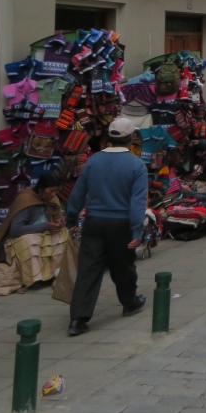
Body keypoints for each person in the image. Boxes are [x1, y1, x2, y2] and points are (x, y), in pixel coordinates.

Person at [65, 117, 148, 337]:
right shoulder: (136, 165)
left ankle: (78, 319)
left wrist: (71, 219)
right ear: (131, 138)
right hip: (121, 224)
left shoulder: (93, 161)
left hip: (94, 221)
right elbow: (137, 202)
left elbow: (78, 193)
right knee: (123, 266)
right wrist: (137, 230)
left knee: (88, 269)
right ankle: (129, 302)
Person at [0, 172, 68, 287]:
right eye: (51, 191)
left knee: (62, 235)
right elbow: (15, 230)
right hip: (21, 240)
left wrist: (59, 223)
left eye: (56, 191)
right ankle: (34, 279)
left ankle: (53, 274)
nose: (54, 194)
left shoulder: (53, 200)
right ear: (41, 189)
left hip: (45, 237)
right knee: (30, 240)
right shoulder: (25, 199)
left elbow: (57, 217)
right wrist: (45, 226)